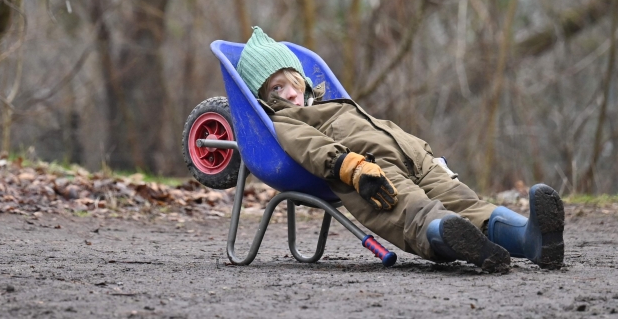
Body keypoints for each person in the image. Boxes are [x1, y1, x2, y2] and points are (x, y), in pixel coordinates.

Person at [235, 26, 564, 273]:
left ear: (301, 79)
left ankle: (532, 239)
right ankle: (457, 239)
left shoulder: (328, 101)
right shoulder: (284, 122)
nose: (289, 93)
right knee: (413, 211)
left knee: (468, 203)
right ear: (264, 99)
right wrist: (353, 167)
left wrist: (425, 155)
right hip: (372, 171)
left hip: (418, 160)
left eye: (291, 81)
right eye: (276, 89)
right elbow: (312, 147)